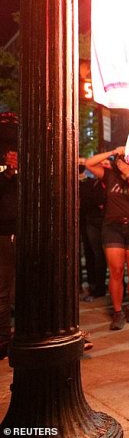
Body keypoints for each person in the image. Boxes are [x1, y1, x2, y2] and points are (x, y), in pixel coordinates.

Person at [86, 147, 129, 330]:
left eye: (127, 158)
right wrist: (112, 151)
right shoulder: (109, 175)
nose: (123, 161)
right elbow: (89, 163)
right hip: (113, 227)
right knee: (115, 271)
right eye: (121, 158)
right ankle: (117, 312)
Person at [79, 158, 108, 300]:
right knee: (97, 256)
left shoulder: (110, 183)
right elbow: (86, 201)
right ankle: (98, 287)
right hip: (92, 221)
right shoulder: (91, 183)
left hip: (106, 222)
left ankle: (108, 286)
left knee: (107, 256)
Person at [0, 150, 17, 358]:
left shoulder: (29, 178)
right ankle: (4, 337)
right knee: (4, 288)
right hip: (4, 235)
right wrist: (8, 174)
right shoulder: (5, 178)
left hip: (25, 233)